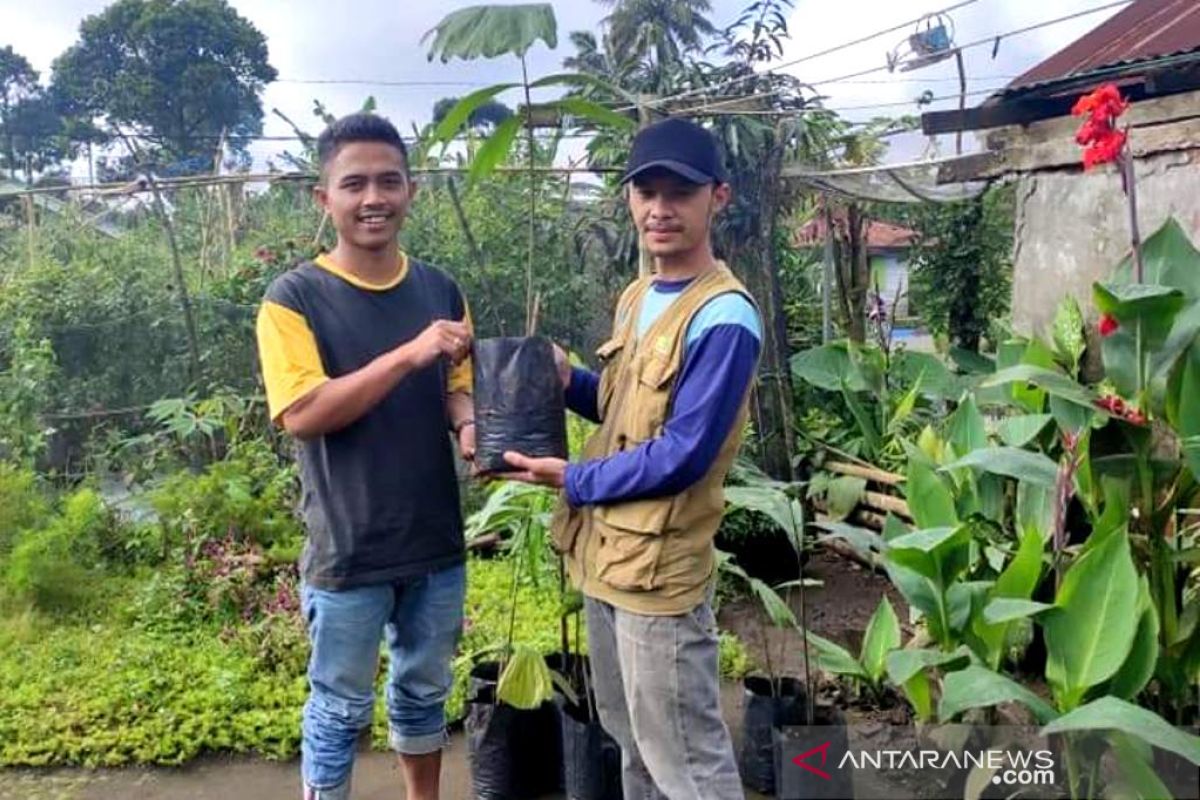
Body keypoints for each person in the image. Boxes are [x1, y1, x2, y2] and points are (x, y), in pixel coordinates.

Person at [504, 116, 761, 800]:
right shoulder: (639, 296)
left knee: (687, 758)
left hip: (659, 574)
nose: (660, 208)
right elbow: (624, 413)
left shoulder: (724, 319)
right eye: (646, 191)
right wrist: (568, 384)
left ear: (718, 198)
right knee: (631, 742)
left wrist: (574, 478)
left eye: (680, 191)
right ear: (628, 200)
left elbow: (683, 453)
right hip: (607, 561)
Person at [254, 112, 475, 800]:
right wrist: (409, 354)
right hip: (349, 552)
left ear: (412, 190)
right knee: (339, 706)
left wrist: (473, 432)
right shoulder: (293, 299)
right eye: (354, 184)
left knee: (424, 691)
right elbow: (305, 414)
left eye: (389, 181)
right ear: (325, 200)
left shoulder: (440, 290)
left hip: (435, 544)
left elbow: (457, 393)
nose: (373, 197)